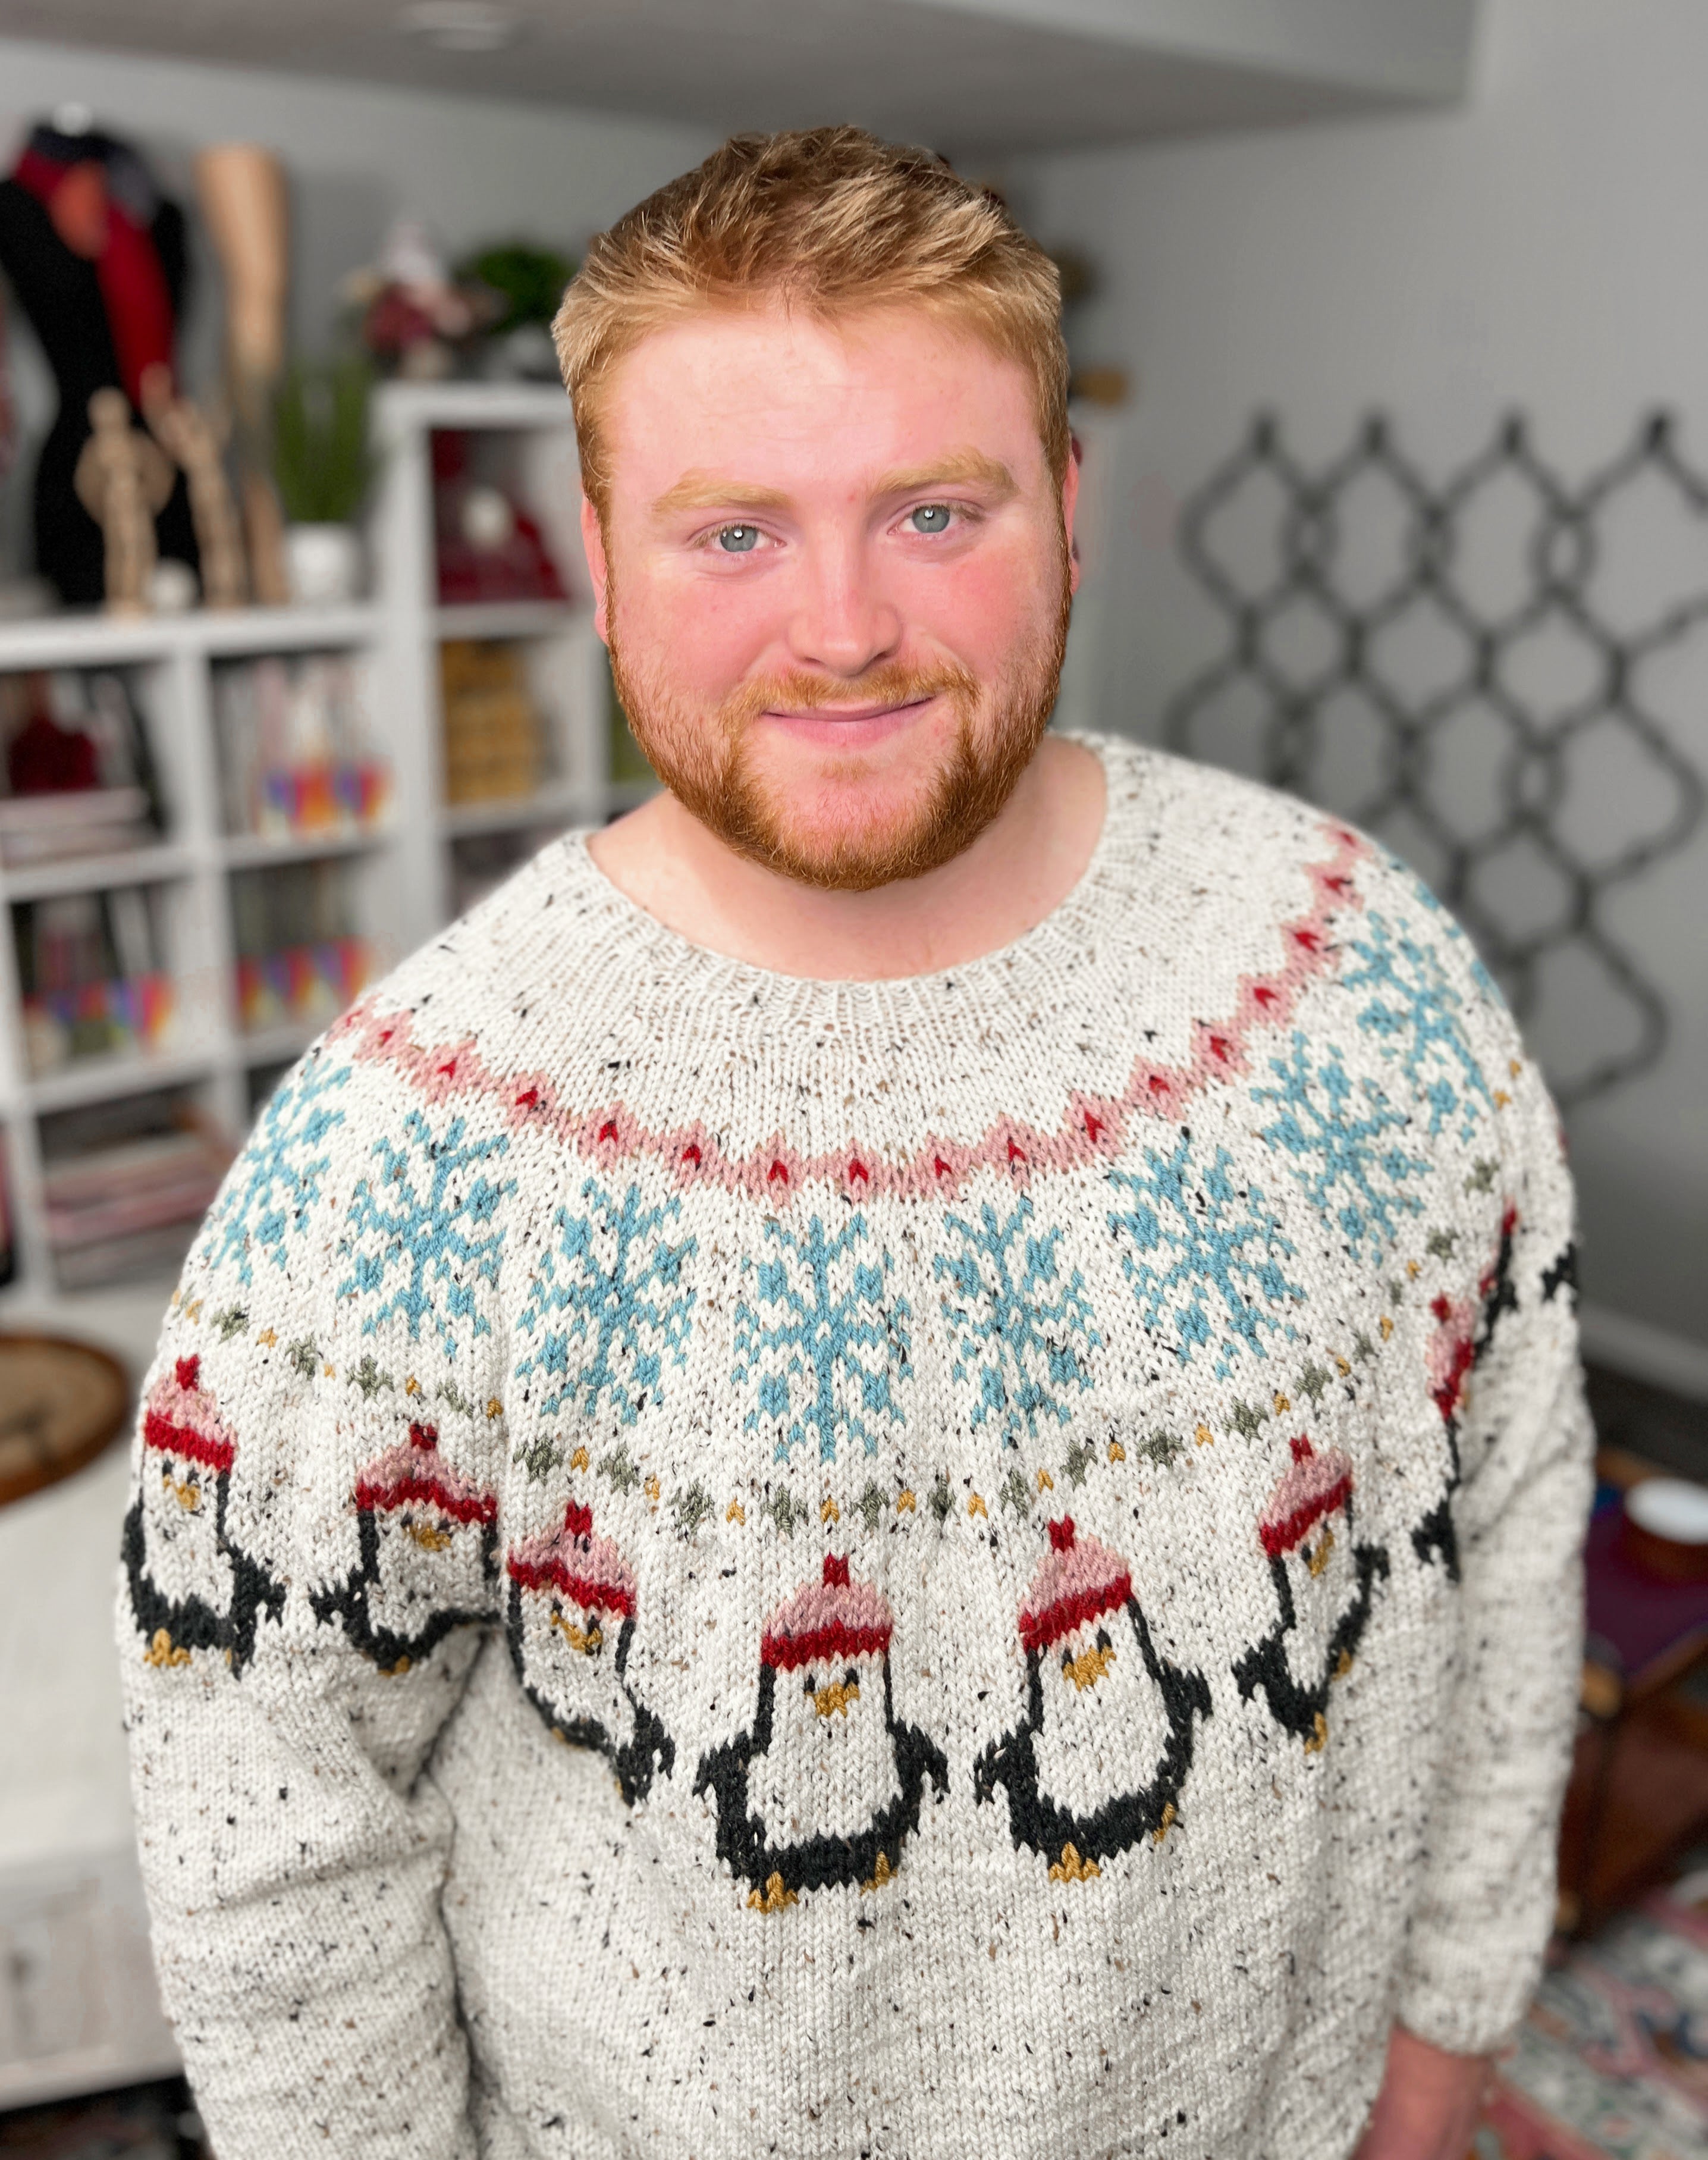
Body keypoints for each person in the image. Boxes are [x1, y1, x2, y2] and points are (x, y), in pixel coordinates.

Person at [118, 127, 1591, 2160]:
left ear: (1069, 514)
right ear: (600, 550)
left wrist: (1443, 2033)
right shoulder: (399, 1158)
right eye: (734, 532)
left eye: (932, 510)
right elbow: (266, 1839)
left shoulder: (1357, 967)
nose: (842, 629)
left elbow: (1515, 1511)